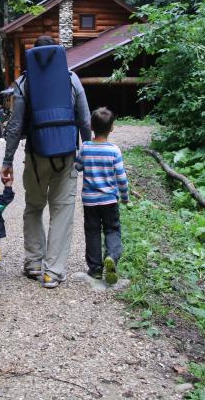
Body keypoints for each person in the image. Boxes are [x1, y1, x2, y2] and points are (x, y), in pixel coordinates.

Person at [0, 35, 92, 289]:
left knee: (34, 207)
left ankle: (33, 263)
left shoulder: (24, 82)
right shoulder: (71, 79)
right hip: (67, 155)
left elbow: (15, 126)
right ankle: (53, 271)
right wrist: (88, 150)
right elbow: (84, 120)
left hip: (36, 154)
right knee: (62, 210)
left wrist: (7, 160)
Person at [76, 107, 130, 285]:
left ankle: (95, 269)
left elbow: (78, 167)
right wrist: (125, 197)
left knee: (92, 232)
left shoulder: (85, 148)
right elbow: (121, 178)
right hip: (110, 200)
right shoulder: (114, 150)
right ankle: (112, 257)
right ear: (112, 128)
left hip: (90, 201)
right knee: (112, 229)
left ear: (91, 126)